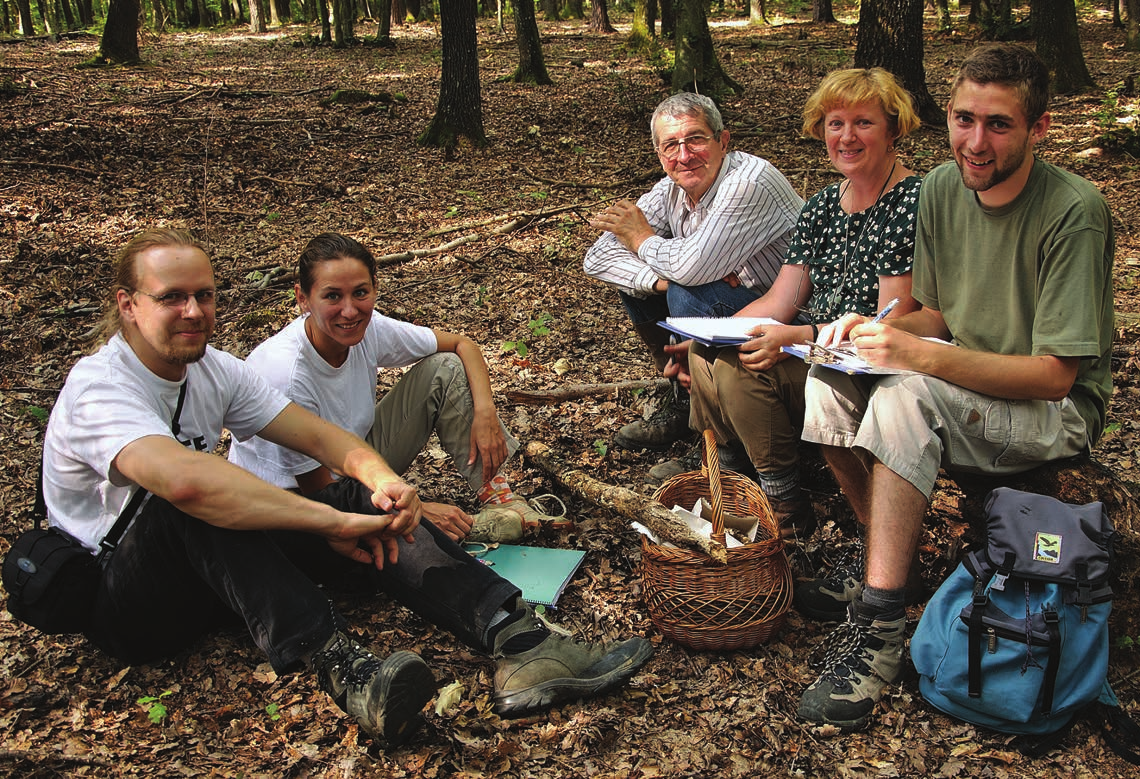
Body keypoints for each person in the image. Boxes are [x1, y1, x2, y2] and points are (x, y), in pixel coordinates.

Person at [41, 228, 654, 749]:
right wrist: (326, 524)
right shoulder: (101, 386)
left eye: (204, 295)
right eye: (171, 298)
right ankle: (347, 669)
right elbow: (184, 482)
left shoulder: (214, 370)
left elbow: (323, 439)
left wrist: (384, 482)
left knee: (363, 494)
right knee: (191, 500)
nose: (194, 312)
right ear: (128, 305)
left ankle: (517, 637)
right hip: (128, 600)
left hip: (219, 577)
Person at [794, 43, 1115, 732]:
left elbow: (1054, 374)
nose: (974, 141)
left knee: (905, 396)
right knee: (826, 378)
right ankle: (889, 556)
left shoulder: (1070, 211)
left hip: (1050, 412)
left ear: (1039, 128)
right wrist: (872, 328)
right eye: (963, 118)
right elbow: (934, 314)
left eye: (997, 124)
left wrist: (920, 356)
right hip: (968, 387)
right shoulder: (940, 189)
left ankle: (878, 623)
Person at [671, 68, 922, 534]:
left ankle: (785, 505)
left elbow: (894, 317)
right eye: (834, 123)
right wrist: (705, 334)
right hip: (813, 347)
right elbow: (781, 298)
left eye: (862, 123)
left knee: (741, 366)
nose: (846, 137)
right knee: (710, 351)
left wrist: (799, 335)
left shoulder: (912, 200)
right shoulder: (824, 204)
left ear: (893, 129)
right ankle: (727, 480)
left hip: (862, 362)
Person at [229, 232, 564, 545]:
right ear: (303, 298)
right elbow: (324, 495)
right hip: (295, 507)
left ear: (375, 287)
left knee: (443, 368)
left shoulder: (368, 327)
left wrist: (485, 412)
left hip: (354, 462)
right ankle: (461, 527)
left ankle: (499, 497)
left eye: (360, 292)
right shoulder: (287, 373)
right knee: (390, 535)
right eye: (332, 296)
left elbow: (462, 345)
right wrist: (415, 507)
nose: (349, 310)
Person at [584, 92, 804, 452]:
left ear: (723, 141)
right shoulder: (670, 188)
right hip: (734, 304)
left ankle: (720, 441)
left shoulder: (749, 181)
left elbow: (690, 267)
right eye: (671, 145)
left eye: (696, 139)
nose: (684, 156)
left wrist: (643, 239)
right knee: (645, 285)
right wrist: (660, 279)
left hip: (788, 315)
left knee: (686, 291)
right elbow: (599, 257)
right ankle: (685, 402)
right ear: (659, 154)